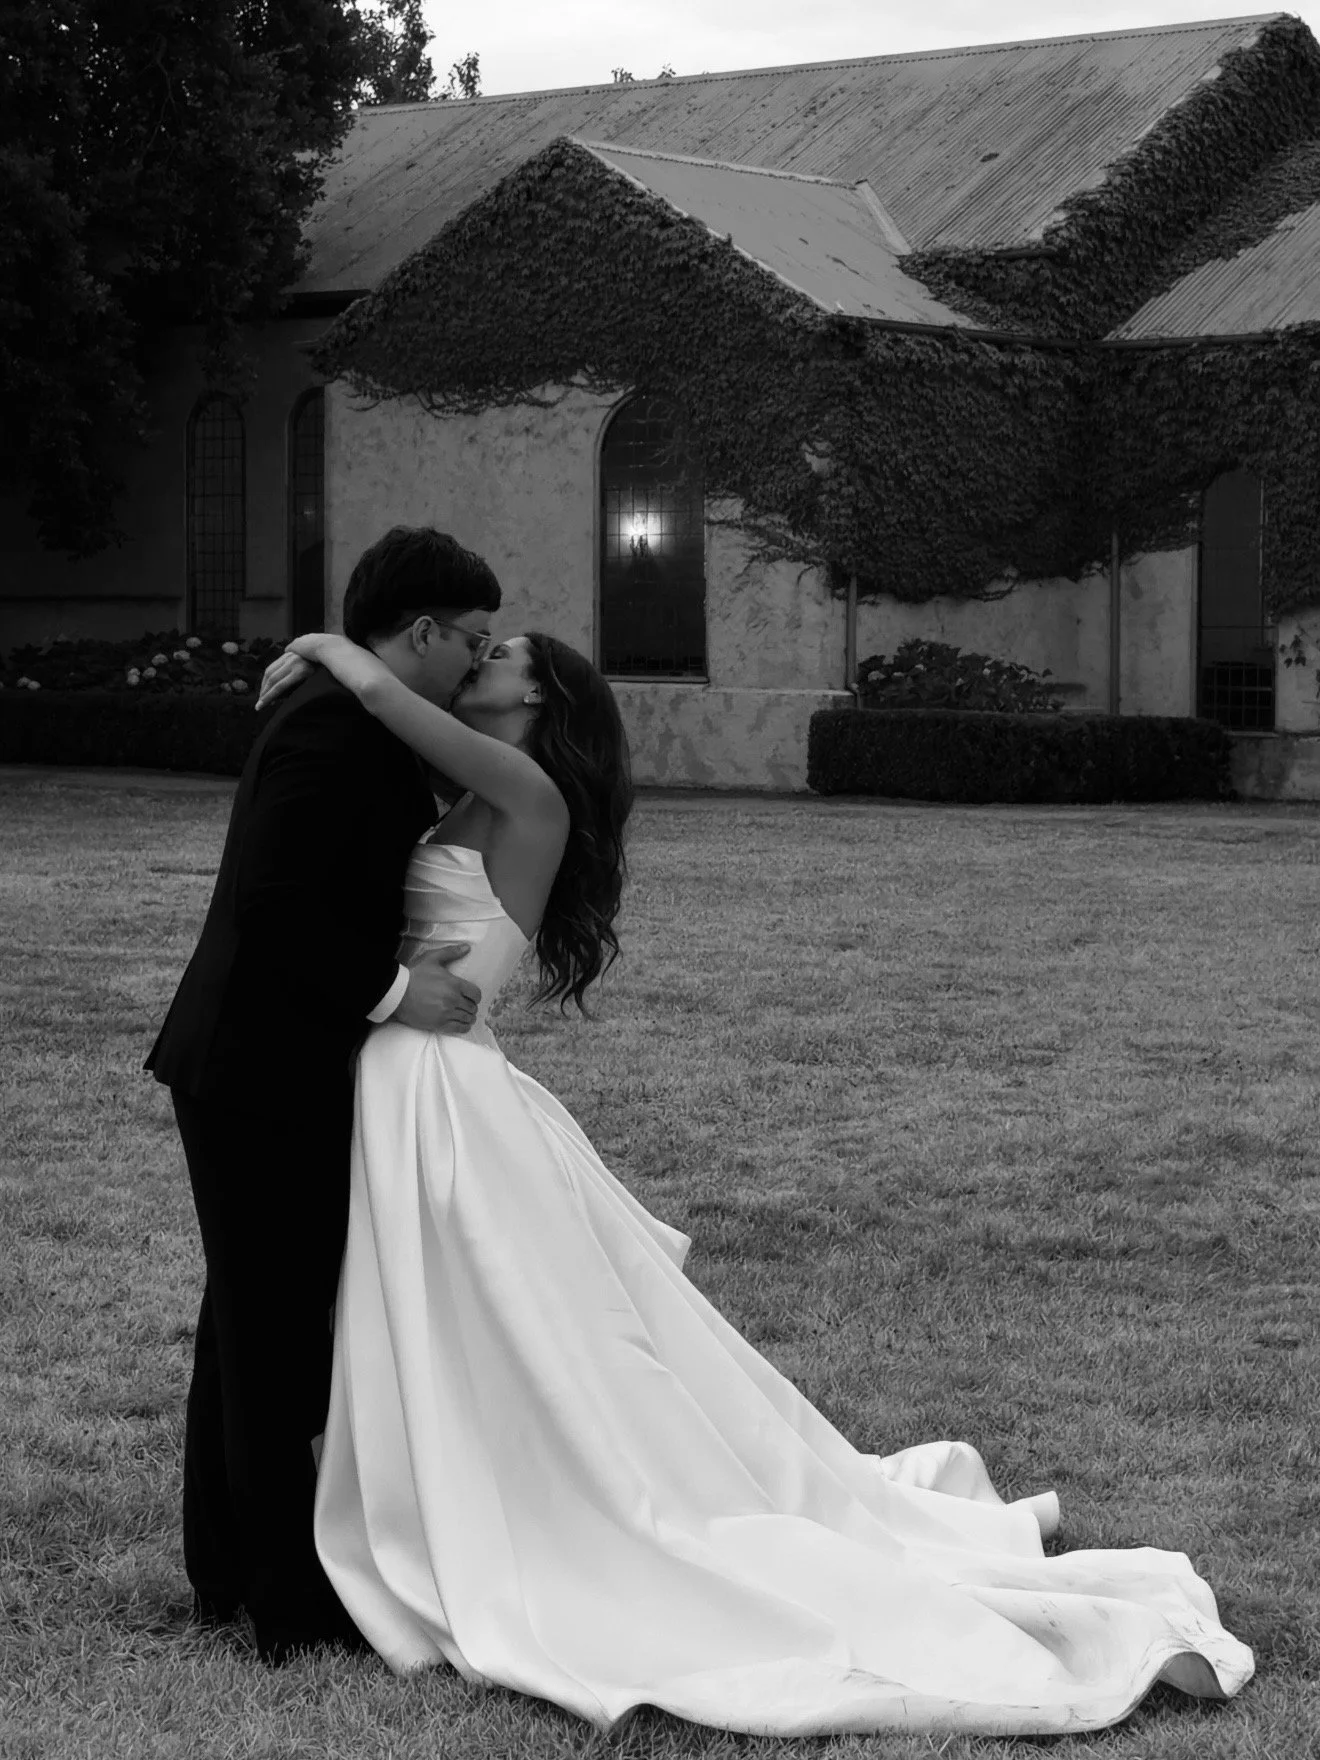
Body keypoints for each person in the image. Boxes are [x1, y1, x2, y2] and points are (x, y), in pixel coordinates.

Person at [249, 622, 1254, 1737]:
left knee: (502, 1324)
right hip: (412, 1076)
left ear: (541, 700)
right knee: (457, 1323)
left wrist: (329, 646)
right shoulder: (464, 787)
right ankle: (444, 1493)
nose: (480, 660)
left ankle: (507, 1514)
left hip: (442, 1086)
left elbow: (394, 706)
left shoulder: (527, 787)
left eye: (502, 657)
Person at [145, 527, 501, 1664]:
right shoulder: (330, 726)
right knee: (273, 1330)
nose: (477, 666)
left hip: (272, 1059)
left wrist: (324, 647)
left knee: (249, 1317)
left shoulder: (355, 711)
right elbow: (274, 903)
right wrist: (402, 990)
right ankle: (283, 1606)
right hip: (256, 1064)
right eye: (472, 642)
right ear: (424, 630)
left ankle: (225, 1568)